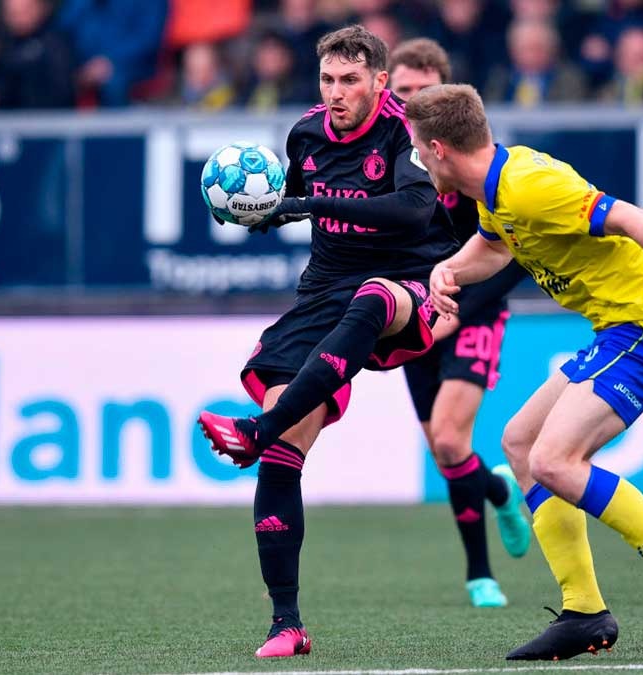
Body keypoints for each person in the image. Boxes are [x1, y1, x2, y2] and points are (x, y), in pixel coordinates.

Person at [405, 83, 643, 660]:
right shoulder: (496, 188)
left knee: (553, 462)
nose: (415, 160)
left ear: (439, 149)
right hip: (620, 329)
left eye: (417, 149)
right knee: (520, 443)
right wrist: (449, 270)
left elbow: (632, 218)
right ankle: (585, 612)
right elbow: (494, 248)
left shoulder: (531, 185)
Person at [197, 25, 459, 658]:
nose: (336, 93)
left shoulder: (407, 129)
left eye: (349, 81)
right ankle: (285, 623)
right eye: (327, 80)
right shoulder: (307, 133)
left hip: (409, 281)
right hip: (323, 291)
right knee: (285, 448)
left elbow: (412, 210)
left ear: (378, 81)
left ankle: (254, 434)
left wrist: (307, 202)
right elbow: (290, 199)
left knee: (373, 297)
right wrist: (260, 212)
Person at [387, 37, 531, 609]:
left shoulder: (473, 168)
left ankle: (479, 575)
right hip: (414, 316)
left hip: (470, 314)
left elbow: (511, 254)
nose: (411, 101)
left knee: (450, 437)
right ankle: (497, 489)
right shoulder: (386, 165)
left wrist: (454, 310)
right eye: (402, 92)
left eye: (423, 92)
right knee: (446, 454)